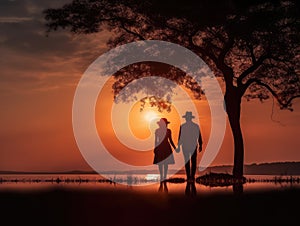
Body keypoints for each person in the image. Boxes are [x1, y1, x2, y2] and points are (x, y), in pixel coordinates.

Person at [176, 111, 203, 182]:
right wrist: (200, 145)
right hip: (192, 145)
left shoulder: (183, 126)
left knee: (188, 161)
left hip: (186, 146)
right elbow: (199, 136)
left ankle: (190, 176)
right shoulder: (195, 126)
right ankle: (191, 176)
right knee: (192, 161)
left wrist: (179, 146)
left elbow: (180, 138)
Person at [153, 118, 176, 182]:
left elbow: (170, 140)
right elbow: (156, 140)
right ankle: (162, 176)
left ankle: (163, 177)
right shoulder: (159, 131)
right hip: (163, 147)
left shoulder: (167, 131)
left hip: (163, 147)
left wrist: (174, 147)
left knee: (164, 163)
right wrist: (155, 148)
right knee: (163, 163)